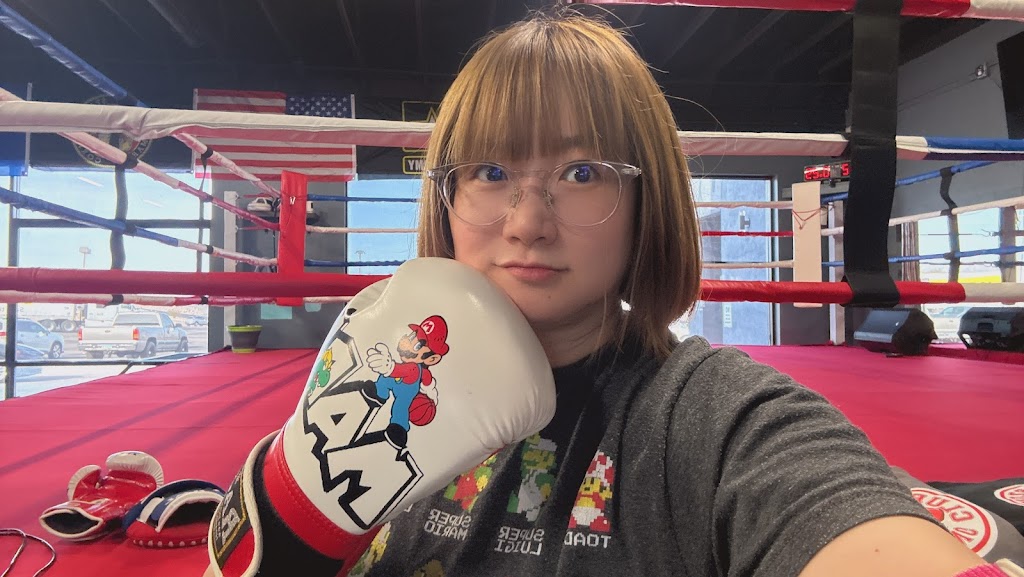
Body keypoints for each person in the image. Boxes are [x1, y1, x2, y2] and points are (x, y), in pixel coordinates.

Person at [204, 9, 1021, 577]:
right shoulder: (377, 359)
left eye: (581, 171)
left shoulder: (716, 418)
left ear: (645, 201)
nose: (527, 222)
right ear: (447, 195)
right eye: (492, 170)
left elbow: (836, 512)